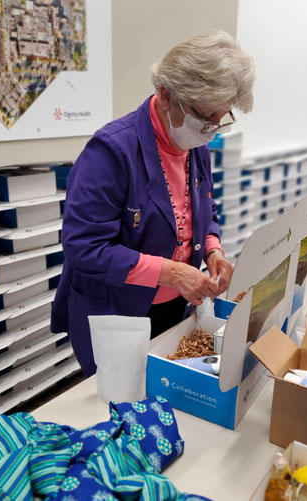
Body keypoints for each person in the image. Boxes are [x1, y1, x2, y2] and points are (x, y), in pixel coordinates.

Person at [51, 30, 255, 377]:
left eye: (221, 118)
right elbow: (84, 247)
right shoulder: (111, 151)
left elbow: (205, 211)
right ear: (166, 94)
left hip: (172, 308)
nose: (211, 129)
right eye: (205, 116)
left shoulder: (195, 147)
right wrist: (172, 272)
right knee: (122, 398)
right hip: (116, 313)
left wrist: (213, 252)